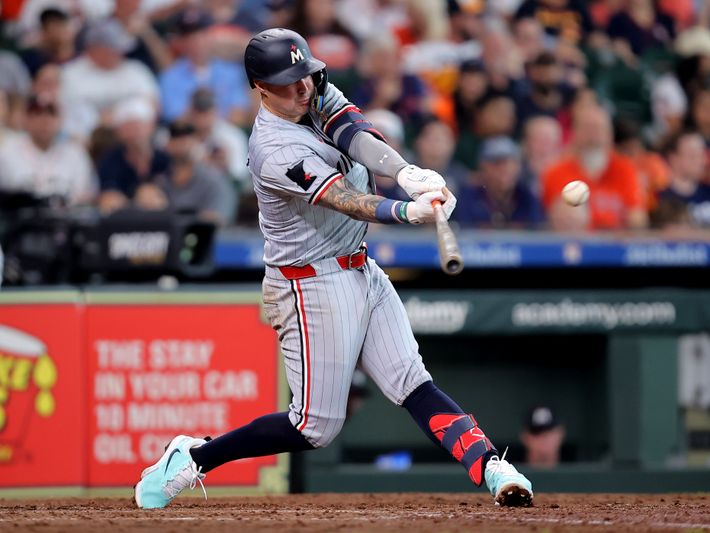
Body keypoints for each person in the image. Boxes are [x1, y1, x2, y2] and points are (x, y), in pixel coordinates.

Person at [133, 28, 532, 510]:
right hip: (308, 282)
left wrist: (406, 173)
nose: (303, 88)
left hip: (359, 267)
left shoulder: (311, 87)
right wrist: (408, 212)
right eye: (287, 82)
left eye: (304, 75)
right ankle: (193, 456)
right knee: (314, 427)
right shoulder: (274, 149)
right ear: (259, 87)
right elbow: (345, 200)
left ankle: (492, 468)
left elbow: (353, 133)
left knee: (411, 379)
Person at [542, 105, 647, 230]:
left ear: (610, 134)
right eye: (587, 128)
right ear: (575, 133)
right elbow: (549, 221)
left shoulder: (626, 169)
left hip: (614, 243)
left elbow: (638, 217)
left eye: (599, 128)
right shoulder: (556, 172)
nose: (593, 135)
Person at [456, 136, 544, 228]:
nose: (504, 169)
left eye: (510, 163)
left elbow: (537, 232)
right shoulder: (468, 198)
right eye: (496, 163)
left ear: (518, 166)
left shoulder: (527, 198)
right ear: (482, 166)